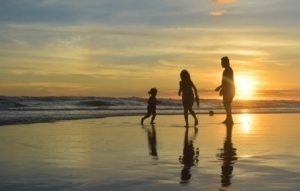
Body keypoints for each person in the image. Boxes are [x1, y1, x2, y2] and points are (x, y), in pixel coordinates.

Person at [215, 56, 235, 124]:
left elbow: (227, 81)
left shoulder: (228, 70)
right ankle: (228, 118)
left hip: (229, 89)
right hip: (228, 89)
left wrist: (220, 88)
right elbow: (224, 82)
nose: (221, 64)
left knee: (227, 103)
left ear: (226, 62)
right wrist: (221, 88)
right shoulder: (227, 70)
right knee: (226, 103)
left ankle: (230, 119)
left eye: (222, 62)